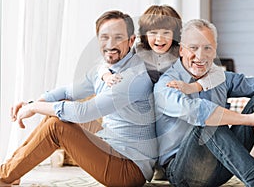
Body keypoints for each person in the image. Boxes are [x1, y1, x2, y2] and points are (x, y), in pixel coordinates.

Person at [0, 10, 157, 187]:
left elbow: (85, 112)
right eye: (105, 37)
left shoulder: (133, 77)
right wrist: (33, 103)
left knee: (57, 127)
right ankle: (11, 172)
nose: (110, 44)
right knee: (58, 112)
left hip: (129, 170)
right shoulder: (105, 69)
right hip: (112, 143)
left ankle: (3, 177)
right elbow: (69, 91)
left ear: (130, 40)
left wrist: (34, 107)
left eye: (118, 37)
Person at [154, 19, 254, 187]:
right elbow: (199, 112)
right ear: (181, 50)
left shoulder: (219, 78)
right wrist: (250, 119)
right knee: (208, 121)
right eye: (193, 48)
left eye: (207, 48)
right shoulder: (166, 85)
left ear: (214, 50)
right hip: (183, 173)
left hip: (222, 166)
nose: (200, 56)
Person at [100, 5, 224, 94]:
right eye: (153, 33)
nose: (159, 39)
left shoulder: (180, 51)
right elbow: (104, 64)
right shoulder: (138, 49)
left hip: (173, 99)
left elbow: (218, 73)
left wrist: (194, 87)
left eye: (166, 33)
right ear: (145, 34)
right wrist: (106, 76)